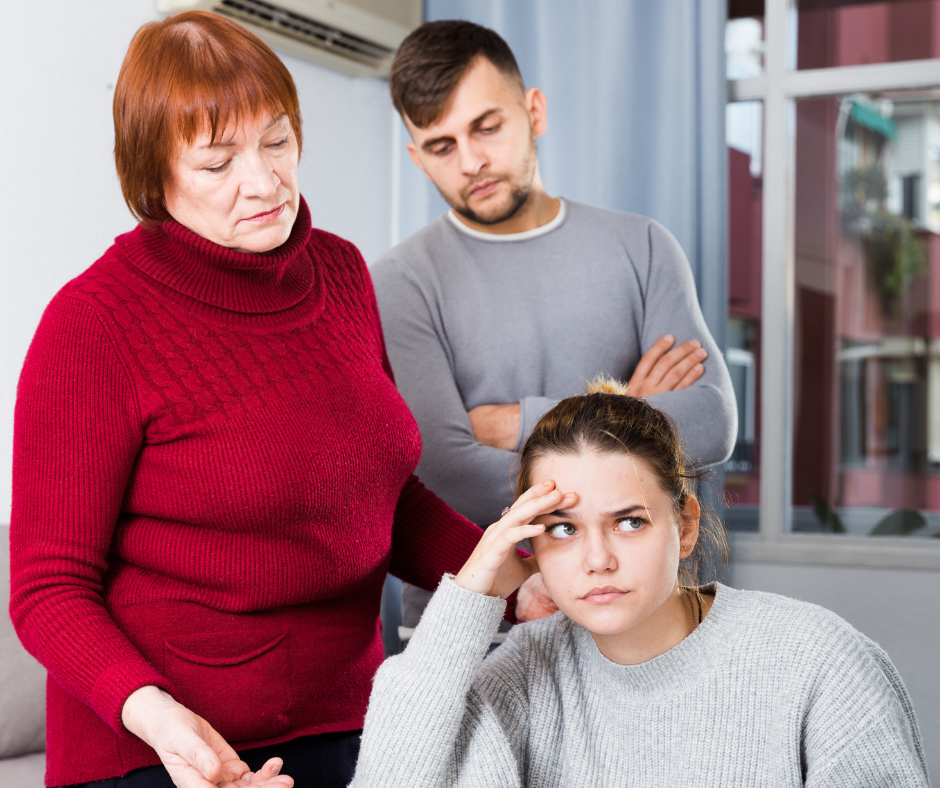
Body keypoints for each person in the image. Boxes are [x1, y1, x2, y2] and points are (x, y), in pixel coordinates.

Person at [9, 12, 495, 788]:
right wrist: (161, 718)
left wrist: (517, 575)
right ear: (154, 177)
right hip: (159, 745)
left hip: (354, 717)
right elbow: (47, 588)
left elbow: (384, 499)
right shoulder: (95, 323)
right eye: (217, 162)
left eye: (276, 141)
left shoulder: (340, 274)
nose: (264, 181)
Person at [350, 378, 930, 787]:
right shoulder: (525, 673)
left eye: (629, 522)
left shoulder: (819, 661)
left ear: (684, 527)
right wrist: (471, 593)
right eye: (563, 529)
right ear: (530, 545)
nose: (597, 559)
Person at [371, 20, 737, 628]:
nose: (472, 161)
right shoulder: (398, 282)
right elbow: (445, 474)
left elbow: (710, 423)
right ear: (417, 157)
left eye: (488, 126)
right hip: (476, 625)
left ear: (534, 111)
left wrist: (519, 421)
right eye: (442, 145)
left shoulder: (643, 245)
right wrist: (630, 416)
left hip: (636, 615)